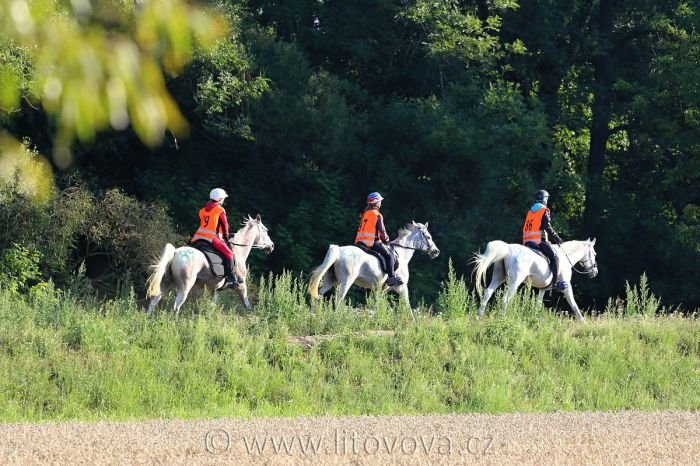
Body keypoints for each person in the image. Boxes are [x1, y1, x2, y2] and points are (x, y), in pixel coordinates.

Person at [191, 188, 243, 288]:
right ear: (219, 199)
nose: (223, 200)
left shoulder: (202, 211)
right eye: (223, 199)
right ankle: (232, 278)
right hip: (212, 238)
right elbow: (225, 226)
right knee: (230, 254)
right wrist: (227, 238)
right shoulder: (220, 210)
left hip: (198, 238)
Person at [522, 189, 568, 291]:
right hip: (538, 241)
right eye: (546, 198)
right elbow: (548, 227)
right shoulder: (543, 210)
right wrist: (557, 238)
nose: (547, 200)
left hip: (526, 241)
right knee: (555, 257)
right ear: (544, 199)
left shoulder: (530, 211)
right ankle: (555, 283)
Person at [355, 192, 403, 287]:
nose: (381, 203)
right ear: (376, 203)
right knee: (389, 255)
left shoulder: (364, 214)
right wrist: (386, 239)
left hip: (359, 242)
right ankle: (391, 278)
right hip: (371, 242)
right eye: (380, 201)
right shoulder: (377, 214)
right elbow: (383, 233)